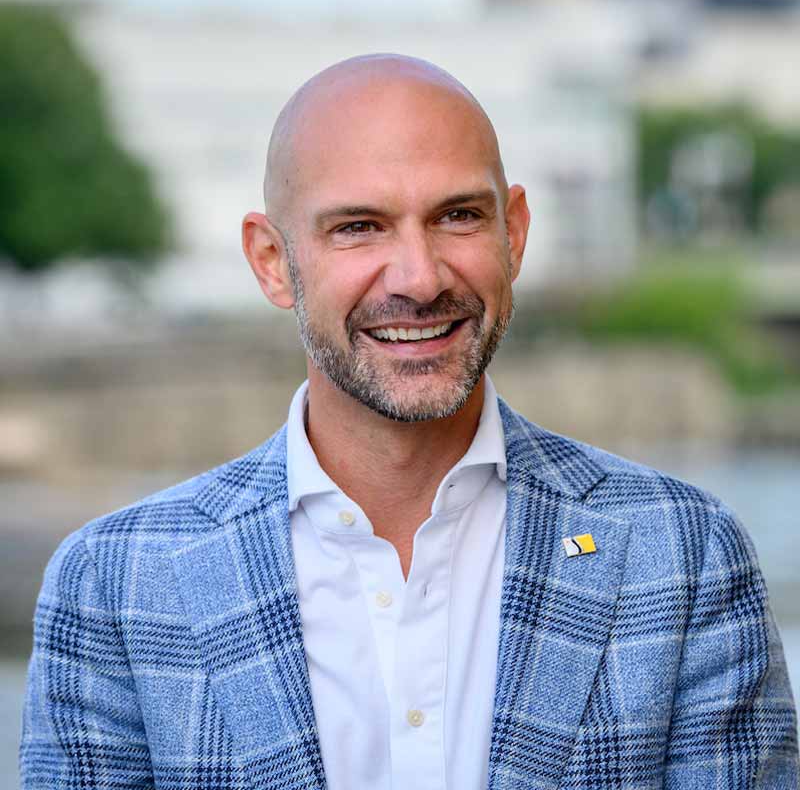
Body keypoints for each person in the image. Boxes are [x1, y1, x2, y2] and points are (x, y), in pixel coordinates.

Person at [20, 54, 798, 790]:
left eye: (457, 216)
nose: (420, 279)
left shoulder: (684, 556)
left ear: (513, 233)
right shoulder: (113, 587)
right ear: (269, 260)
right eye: (358, 226)